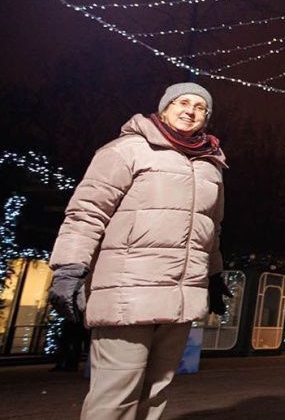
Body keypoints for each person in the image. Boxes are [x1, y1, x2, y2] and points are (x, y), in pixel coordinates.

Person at [48, 82, 228, 420]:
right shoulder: (127, 150)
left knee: (155, 397)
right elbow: (87, 211)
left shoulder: (210, 166)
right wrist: (69, 266)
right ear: (164, 107)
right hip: (127, 294)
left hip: (180, 298)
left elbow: (211, 229)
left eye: (200, 107)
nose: (190, 110)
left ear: (206, 117)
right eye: (182, 102)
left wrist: (214, 274)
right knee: (115, 399)